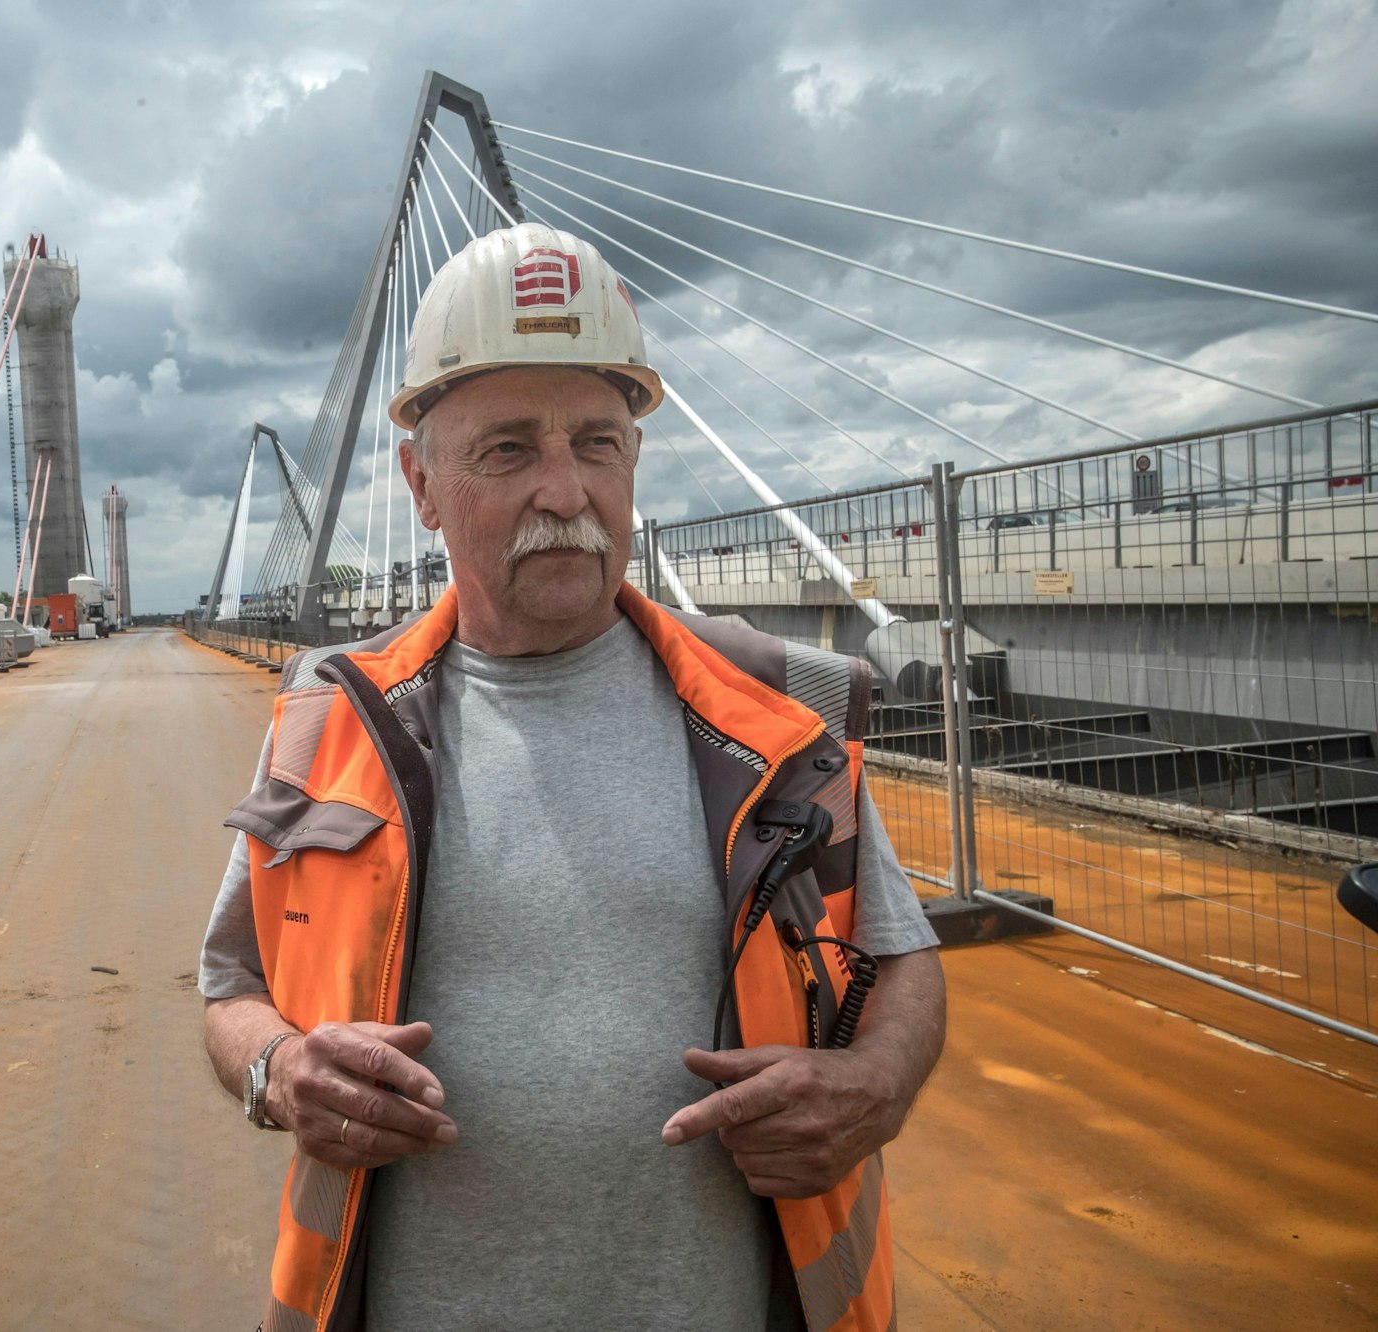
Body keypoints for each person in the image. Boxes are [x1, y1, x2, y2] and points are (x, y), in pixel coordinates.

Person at [199, 223, 945, 1332]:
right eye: (505, 449)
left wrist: (872, 1088)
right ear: (421, 483)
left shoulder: (778, 720)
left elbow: (901, 964)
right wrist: (278, 1073)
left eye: (596, 442)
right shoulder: (331, 721)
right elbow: (229, 991)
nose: (564, 490)